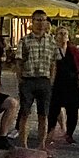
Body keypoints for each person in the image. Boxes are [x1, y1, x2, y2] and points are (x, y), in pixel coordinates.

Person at [14, 12, 59, 148]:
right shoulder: (25, 40)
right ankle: (23, 144)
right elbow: (19, 61)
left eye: (43, 20)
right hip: (28, 80)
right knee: (25, 113)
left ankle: (41, 145)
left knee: (43, 114)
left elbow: (53, 62)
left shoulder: (51, 41)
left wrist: (51, 80)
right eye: (38, 20)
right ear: (32, 22)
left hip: (44, 80)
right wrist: (20, 79)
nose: (41, 23)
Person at [48, 28, 79, 140]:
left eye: (65, 33)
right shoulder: (53, 49)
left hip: (72, 83)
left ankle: (69, 134)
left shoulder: (73, 50)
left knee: (72, 110)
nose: (63, 36)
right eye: (61, 33)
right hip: (57, 83)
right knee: (53, 109)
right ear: (56, 36)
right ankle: (50, 131)